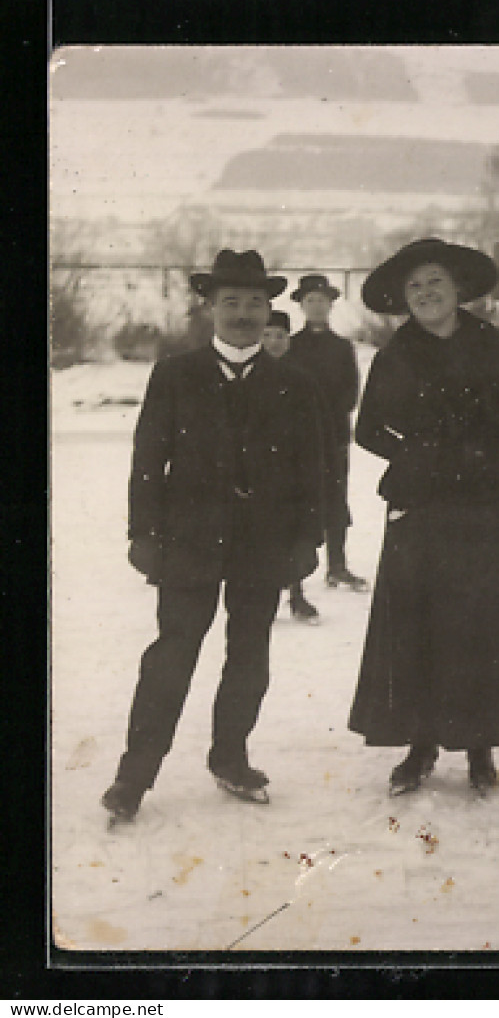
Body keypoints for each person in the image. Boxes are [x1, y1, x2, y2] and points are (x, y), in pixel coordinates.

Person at [101, 250, 326, 824]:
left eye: (255, 303)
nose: (244, 313)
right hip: (189, 543)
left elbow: (312, 468)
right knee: (171, 657)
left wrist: (307, 539)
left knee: (249, 655)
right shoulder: (175, 373)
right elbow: (149, 458)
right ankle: (134, 776)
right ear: (210, 308)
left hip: (264, 544)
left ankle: (231, 758)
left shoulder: (294, 383)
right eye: (232, 302)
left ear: (270, 308)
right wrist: (143, 533)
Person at [347, 238, 499, 797]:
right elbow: (369, 430)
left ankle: (482, 746)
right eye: (414, 286)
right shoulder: (397, 353)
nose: (426, 293)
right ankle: (420, 745)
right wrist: (416, 454)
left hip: (485, 504)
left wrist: (492, 462)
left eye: (435, 282)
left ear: (458, 289)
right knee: (420, 624)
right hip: (422, 505)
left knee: (482, 623)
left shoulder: (490, 345)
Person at [283, 274, 368, 594]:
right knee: (299, 499)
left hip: (333, 436)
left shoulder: (342, 347)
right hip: (299, 439)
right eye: (310, 301)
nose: (316, 306)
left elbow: (350, 391)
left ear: (331, 305)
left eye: (321, 300)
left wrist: (331, 422)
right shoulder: (292, 346)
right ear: (302, 306)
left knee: (335, 499)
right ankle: (294, 571)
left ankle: (337, 566)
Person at [261, 310, 322, 626]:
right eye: (267, 335)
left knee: (294, 533)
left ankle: (297, 595)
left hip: (291, 470)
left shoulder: (301, 379)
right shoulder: (250, 374)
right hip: (259, 470)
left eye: (280, 336)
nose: (273, 343)